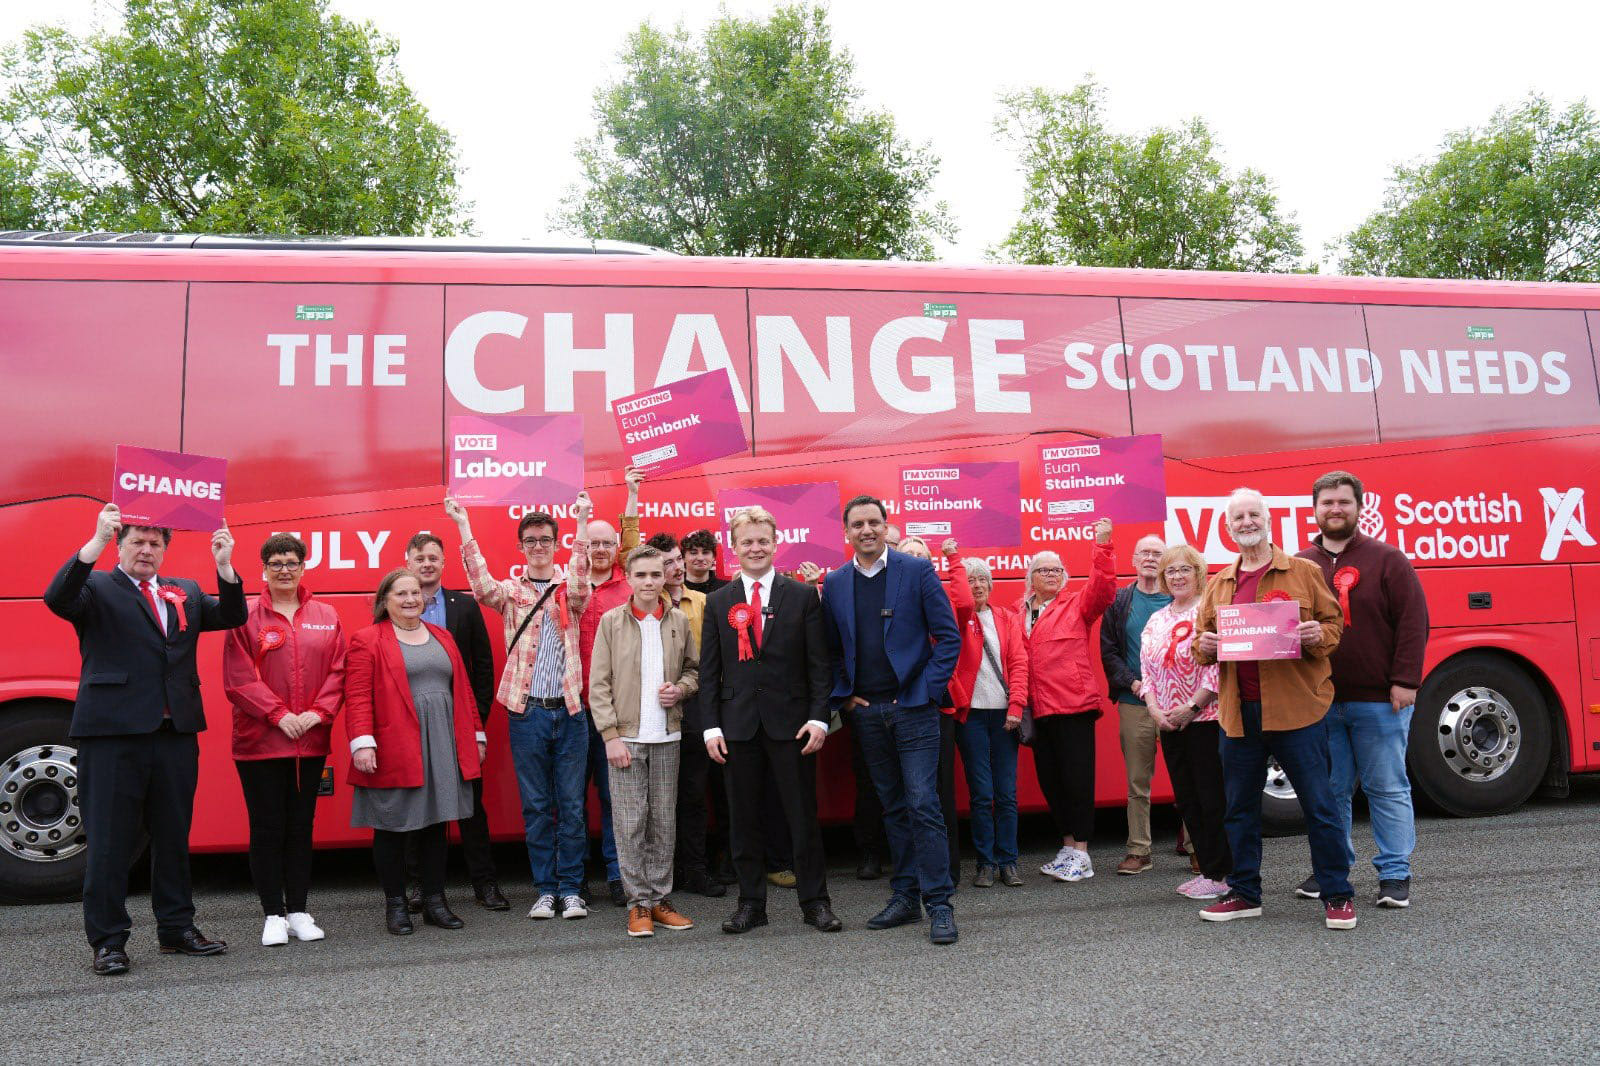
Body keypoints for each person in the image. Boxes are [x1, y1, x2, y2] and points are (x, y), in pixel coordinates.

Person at [45, 504, 245, 976]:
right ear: (121, 545)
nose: (147, 550)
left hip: (174, 734)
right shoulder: (95, 587)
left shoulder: (187, 592)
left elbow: (234, 615)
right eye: (138, 541)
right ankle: (109, 940)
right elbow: (58, 598)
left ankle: (176, 929)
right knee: (112, 841)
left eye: (156, 543)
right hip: (112, 735)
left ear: (165, 551)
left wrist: (224, 565)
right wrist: (93, 542)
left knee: (173, 837)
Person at [1192, 488, 1354, 929]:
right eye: (1237, 517)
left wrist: (1316, 636)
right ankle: (1245, 893)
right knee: (1239, 810)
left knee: (1320, 806)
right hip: (1238, 715)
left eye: (1252, 514)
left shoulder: (1302, 572)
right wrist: (1204, 646)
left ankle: (1337, 894)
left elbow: (1333, 624)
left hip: (1297, 711)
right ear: (1228, 529)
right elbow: (1201, 642)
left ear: (1267, 520)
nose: (1246, 522)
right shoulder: (1218, 584)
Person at [821, 496, 962, 945]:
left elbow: (948, 638)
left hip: (915, 711)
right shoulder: (836, 583)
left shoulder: (916, 571)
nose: (867, 529)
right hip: (867, 715)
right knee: (894, 809)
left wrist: (923, 692)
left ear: (886, 527)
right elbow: (831, 651)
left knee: (923, 804)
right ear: (846, 533)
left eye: (874, 522)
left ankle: (939, 904)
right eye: (858, 524)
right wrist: (846, 697)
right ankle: (905, 896)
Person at [448, 493, 593, 922]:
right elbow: (480, 586)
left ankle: (570, 890)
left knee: (570, 805)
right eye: (530, 540)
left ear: (555, 542)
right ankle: (545, 890)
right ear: (521, 547)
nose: (538, 546)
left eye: (545, 539)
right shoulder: (511, 592)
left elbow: (583, 575)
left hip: (569, 712)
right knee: (535, 805)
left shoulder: (571, 590)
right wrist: (463, 525)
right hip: (526, 712)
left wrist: (583, 521)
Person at [700, 506, 841, 935]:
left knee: (801, 818)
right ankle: (751, 905)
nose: (755, 548)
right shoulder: (718, 601)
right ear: (734, 548)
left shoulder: (801, 596)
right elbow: (709, 671)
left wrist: (819, 719)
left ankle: (815, 903)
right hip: (738, 728)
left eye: (762, 540)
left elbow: (820, 665)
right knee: (742, 821)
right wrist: (711, 726)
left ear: (775, 544)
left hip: (793, 727)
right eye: (747, 542)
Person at [1296, 470, 1429, 909]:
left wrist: (1405, 680)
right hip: (1319, 701)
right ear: (1314, 509)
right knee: (1330, 792)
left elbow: (1413, 623)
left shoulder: (1388, 559)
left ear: (1359, 507)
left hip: (1379, 700)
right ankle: (1332, 869)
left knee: (1386, 787)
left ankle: (1394, 874)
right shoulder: (1298, 565)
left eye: (1344, 502)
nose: (1335, 509)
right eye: (1328, 502)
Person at [222, 533, 347, 946]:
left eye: (291, 562)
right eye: (276, 563)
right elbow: (238, 678)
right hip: (260, 743)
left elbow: (339, 671)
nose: (284, 570)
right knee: (267, 828)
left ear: (303, 567)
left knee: (300, 828)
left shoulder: (327, 615)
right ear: (264, 569)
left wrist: (316, 714)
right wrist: (278, 715)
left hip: (309, 740)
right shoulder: (245, 616)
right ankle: (272, 914)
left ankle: (299, 910)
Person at [346, 569, 484, 935]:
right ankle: (396, 906)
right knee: (392, 825)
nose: (410, 599)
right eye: (401, 594)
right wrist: (362, 741)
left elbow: (464, 688)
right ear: (384, 601)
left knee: (438, 825)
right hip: (395, 743)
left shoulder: (442, 636)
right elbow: (358, 695)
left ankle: (435, 903)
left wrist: (476, 735)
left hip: (442, 740)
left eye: (415, 593)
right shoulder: (367, 640)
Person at [589, 545, 701, 937]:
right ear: (630, 579)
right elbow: (598, 684)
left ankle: (659, 899)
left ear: (666, 575)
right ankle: (638, 903)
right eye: (642, 575)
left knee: (663, 823)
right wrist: (610, 736)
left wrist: (681, 690)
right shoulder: (611, 622)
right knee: (630, 822)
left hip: (667, 736)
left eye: (657, 574)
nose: (650, 582)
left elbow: (693, 670)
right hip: (626, 739)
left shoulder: (678, 621)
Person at [403, 532, 505, 912]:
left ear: (444, 562)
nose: (427, 563)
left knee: (471, 807)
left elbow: (483, 666)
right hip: (414, 724)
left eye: (433, 557)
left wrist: (477, 721)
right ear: (408, 562)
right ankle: (421, 887)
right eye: (420, 557)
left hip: (460, 723)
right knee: (419, 807)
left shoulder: (463, 606)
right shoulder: (397, 606)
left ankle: (486, 884)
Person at [1021, 521, 1117, 884]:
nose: (1050, 574)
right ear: (1031, 577)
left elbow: (1105, 588)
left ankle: (1082, 852)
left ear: (1063, 576)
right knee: (1052, 782)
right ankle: (1066, 847)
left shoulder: (1077, 603)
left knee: (1077, 781)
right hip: (1038, 709)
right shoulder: (1021, 611)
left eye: (1056, 569)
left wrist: (1103, 547)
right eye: (1042, 569)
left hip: (1073, 706)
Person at [638, 531, 726, 900]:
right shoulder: (642, 606)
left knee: (691, 794)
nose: (675, 568)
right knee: (655, 798)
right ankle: (660, 873)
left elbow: (710, 660)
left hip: (693, 710)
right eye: (666, 563)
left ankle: (695, 869)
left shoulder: (703, 602)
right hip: (650, 711)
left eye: (677, 560)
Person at [1138, 545, 1228, 901]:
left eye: (1184, 570)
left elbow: (1220, 666)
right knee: (1188, 801)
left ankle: (1225, 872)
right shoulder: (1156, 619)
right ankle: (1208, 870)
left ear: (1198, 573)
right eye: (1171, 571)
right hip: (1169, 724)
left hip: (1205, 719)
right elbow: (1146, 669)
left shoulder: (1210, 611)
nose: (1177, 576)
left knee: (1212, 799)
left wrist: (1192, 707)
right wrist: (1156, 710)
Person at [578, 473, 640, 908]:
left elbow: (635, 539)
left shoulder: (631, 584)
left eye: (606, 543)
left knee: (616, 796)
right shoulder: (572, 587)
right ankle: (576, 878)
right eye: (592, 543)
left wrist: (633, 494)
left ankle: (619, 874)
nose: (600, 550)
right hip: (571, 708)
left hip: (615, 712)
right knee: (570, 798)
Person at [950, 557, 1029, 888]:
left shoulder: (1007, 619)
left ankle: (1008, 862)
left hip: (1003, 716)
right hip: (971, 717)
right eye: (970, 579)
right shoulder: (956, 618)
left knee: (1006, 794)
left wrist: (1017, 705)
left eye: (982, 579)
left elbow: (1020, 662)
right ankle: (985, 863)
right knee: (981, 794)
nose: (977, 584)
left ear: (991, 584)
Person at [897, 535, 971, 881]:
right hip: (895, 709)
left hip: (934, 710)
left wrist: (954, 561)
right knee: (903, 797)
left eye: (920, 556)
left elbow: (965, 607)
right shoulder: (890, 595)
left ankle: (946, 870)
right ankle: (910, 872)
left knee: (937, 794)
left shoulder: (937, 595)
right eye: (907, 555)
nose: (914, 560)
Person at [1100, 535, 1171, 876]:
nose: (1150, 558)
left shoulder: (1180, 598)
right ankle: (1139, 850)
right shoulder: (1120, 600)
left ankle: (1197, 845)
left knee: (1189, 776)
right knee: (1138, 782)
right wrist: (1133, 682)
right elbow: (1109, 651)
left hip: (1178, 703)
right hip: (1135, 702)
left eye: (1158, 553)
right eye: (1144, 552)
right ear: (1133, 558)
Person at [682, 527, 729, 596]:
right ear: (683, 557)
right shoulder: (673, 589)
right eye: (693, 553)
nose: (700, 558)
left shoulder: (727, 589)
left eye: (705, 552)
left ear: (713, 557)